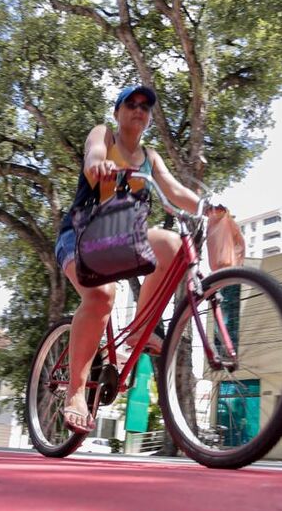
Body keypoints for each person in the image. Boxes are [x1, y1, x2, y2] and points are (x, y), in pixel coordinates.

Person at [54, 85, 202, 434]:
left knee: (173, 244)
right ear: (118, 112)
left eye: (145, 107)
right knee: (102, 295)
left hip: (122, 238)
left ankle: (138, 333)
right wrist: (98, 165)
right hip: (80, 234)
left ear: (149, 118)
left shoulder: (150, 157)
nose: (139, 110)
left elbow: (174, 190)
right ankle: (75, 392)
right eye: (131, 104)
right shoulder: (103, 135)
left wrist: (208, 207)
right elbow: (92, 157)